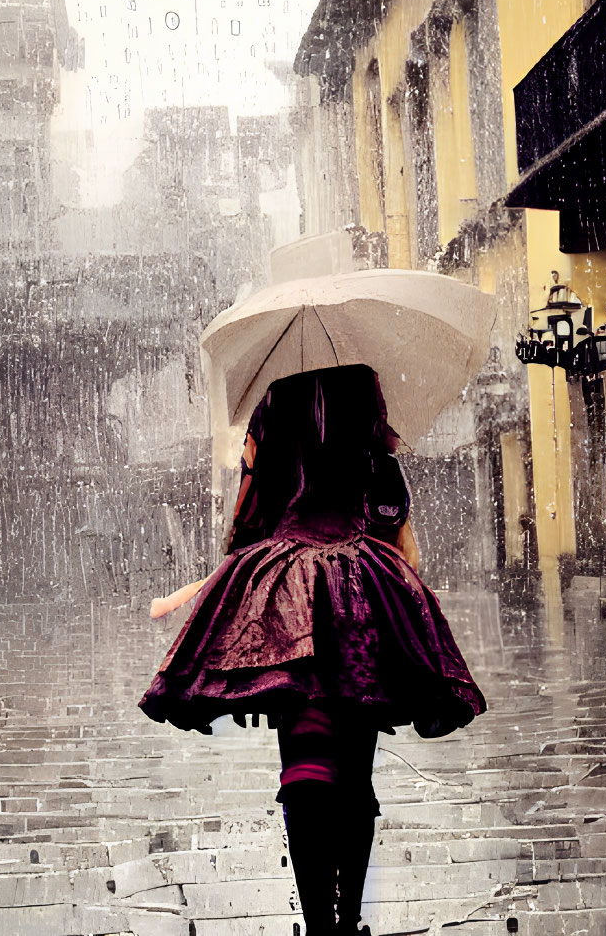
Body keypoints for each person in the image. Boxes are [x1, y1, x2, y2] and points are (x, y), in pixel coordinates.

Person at [139, 365, 487, 936]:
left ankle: (321, 927)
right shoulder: (365, 392)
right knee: (354, 775)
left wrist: (247, 637)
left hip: (286, 599)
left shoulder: (276, 401)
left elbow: (249, 515)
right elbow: (390, 514)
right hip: (359, 599)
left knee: (304, 765)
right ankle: (347, 920)